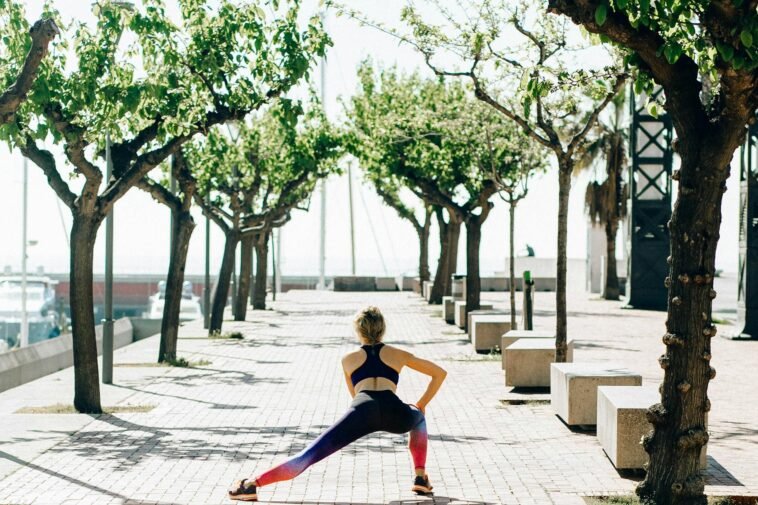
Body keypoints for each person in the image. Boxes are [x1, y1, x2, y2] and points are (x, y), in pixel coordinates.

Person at [228, 306, 448, 502]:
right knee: (418, 417)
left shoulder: (348, 359)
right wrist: (421, 404)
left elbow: (354, 394)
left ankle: (251, 485)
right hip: (395, 411)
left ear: (358, 331)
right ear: (382, 329)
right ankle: (420, 476)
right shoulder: (399, 354)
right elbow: (439, 374)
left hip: (362, 410)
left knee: (308, 455)